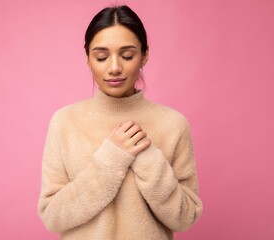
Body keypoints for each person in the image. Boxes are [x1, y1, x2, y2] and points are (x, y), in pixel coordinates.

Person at [38, 5, 203, 240]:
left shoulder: (172, 124)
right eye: (101, 57)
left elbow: (185, 218)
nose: (114, 68)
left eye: (127, 55)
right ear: (88, 59)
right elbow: (52, 216)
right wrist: (111, 159)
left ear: (144, 55)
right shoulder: (65, 122)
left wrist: (148, 159)